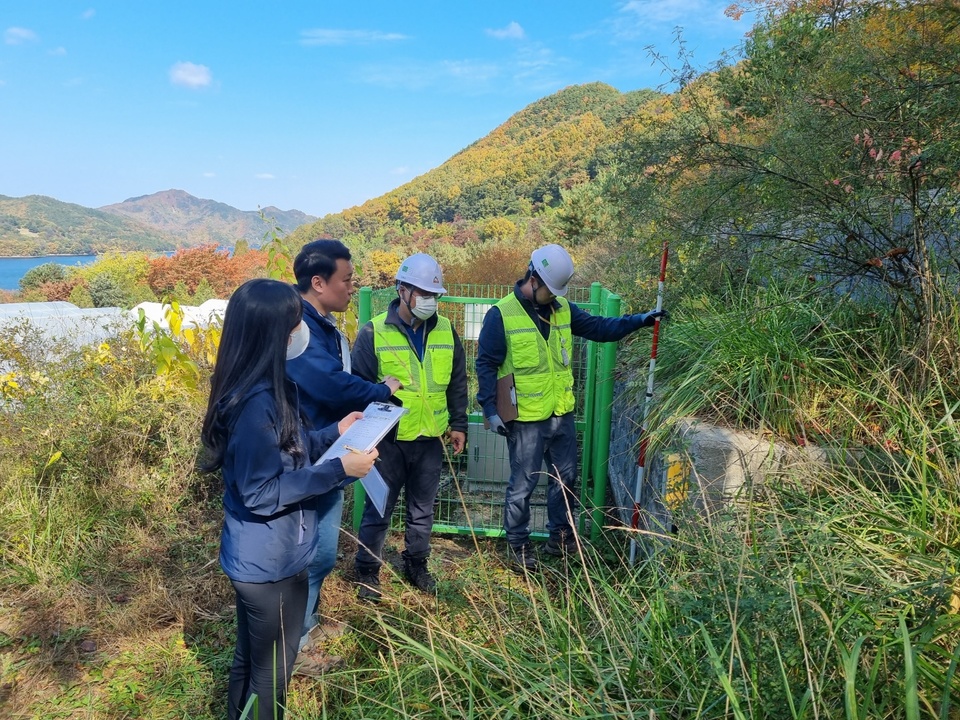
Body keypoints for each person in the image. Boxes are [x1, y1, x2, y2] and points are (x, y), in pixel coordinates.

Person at [200, 278, 378, 720]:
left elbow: (288, 449)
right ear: (272, 334)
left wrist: (332, 434)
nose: (301, 333)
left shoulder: (261, 386)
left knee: (251, 660)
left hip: (267, 556)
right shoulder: (254, 403)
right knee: (272, 674)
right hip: (269, 563)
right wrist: (339, 470)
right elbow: (262, 492)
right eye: (294, 324)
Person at [475, 244, 668, 573]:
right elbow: (486, 365)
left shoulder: (563, 308)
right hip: (524, 420)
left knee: (565, 480)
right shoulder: (501, 315)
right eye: (549, 289)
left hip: (560, 414)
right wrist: (490, 410)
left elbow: (600, 328)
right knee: (523, 485)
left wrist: (639, 321)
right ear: (533, 279)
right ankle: (519, 545)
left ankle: (560, 538)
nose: (553, 296)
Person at [286, 240, 402, 664]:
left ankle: (307, 623)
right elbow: (329, 383)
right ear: (318, 283)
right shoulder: (299, 327)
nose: (352, 287)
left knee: (322, 550)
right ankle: (294, 645)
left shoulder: (321, 323)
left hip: (327, 443)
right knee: (308, 551)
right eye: (347, 280)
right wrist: (380, 391)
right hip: (306, 452)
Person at [350, 253, 468, 601]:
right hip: (387, 440)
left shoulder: (446, 331)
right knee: (379, 509)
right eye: (421, 293)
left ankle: (416, 564)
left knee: (422, 510)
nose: (429, 301)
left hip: (430, 438)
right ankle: (367, 571)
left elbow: (458, 382)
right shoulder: (373, 331)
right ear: (402, 290)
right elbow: (357, 387)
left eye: (434, 295)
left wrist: (458, 423)